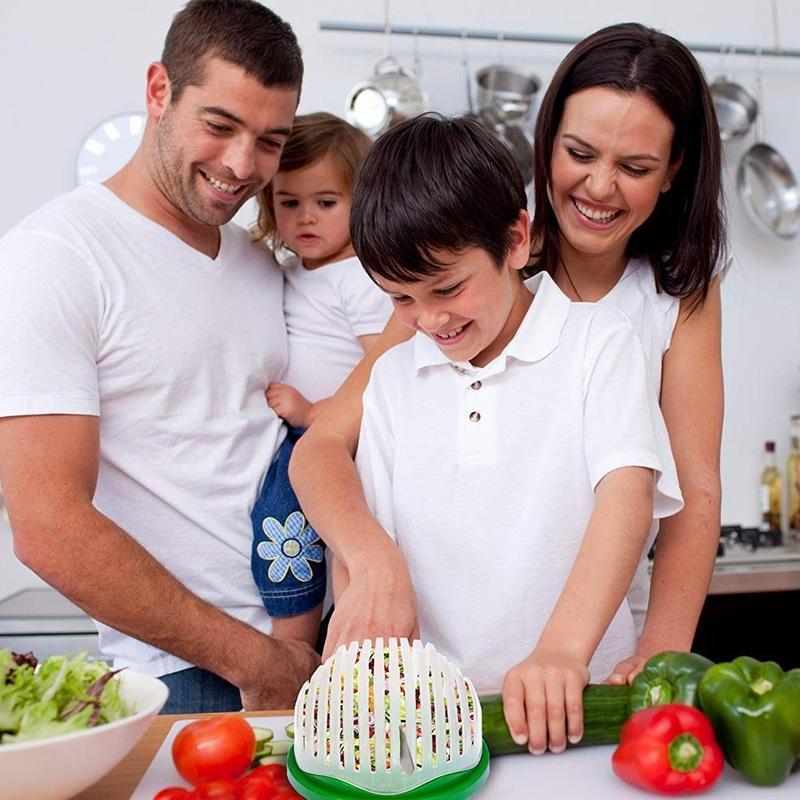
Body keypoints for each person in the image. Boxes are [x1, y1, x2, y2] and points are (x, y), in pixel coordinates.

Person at [289, 21, 725, 744]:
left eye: (636, 166)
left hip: (587, 658)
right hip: (436, 709)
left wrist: (658, 654)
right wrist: (370, 567)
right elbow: (332, 444)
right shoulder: (451, 268)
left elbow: (683, 488)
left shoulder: (648, 309)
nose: (599, 185)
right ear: (546, 141)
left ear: (674, 169)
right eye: (579, 152)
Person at [0, 0, 319, 714]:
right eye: (219, 126)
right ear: (158, 91)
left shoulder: (261, 261)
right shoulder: (53, 259)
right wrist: (255, 660)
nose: (242, 165)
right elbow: (47, 525)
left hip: (314, 650)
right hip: (198, 675)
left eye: (271, 140)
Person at [343, 112, 683, 754]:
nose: (427, 320)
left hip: (584, 712)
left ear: (516, 240)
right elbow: (371, 548)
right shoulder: (391, 378)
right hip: (436, 730)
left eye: (447, 288)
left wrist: (561, 650)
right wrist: (373, 670)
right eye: (399, 299)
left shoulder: (598, 342)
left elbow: (627, 497)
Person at [247, 113, 392, 646]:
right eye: (289, 203)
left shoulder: (360, 278)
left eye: (326, 203)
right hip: (305, 429)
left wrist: (316, 413)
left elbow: (383, 366)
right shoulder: (292, 271)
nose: (306, 218)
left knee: (283, 520)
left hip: (334, 433)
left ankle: (294, 644)